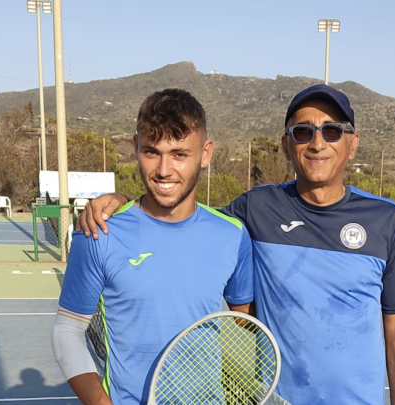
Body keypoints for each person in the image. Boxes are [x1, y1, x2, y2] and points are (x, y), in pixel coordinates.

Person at [77, 84, 395, 405]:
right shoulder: (258, 207)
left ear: (353, 143)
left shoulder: (385, 218)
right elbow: (182, 213)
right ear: (287, 144)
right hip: (278, 399)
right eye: (302, 132)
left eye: (332, 130)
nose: (317, 143)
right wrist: (121, 203)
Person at [52, 89, 254, 405]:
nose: (163, 170)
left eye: (179, 154)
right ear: (136, 147)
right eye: (151, 151)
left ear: (205, 153)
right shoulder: (99, 231)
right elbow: (66, 332)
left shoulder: (233, 234)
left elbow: (246, 319)